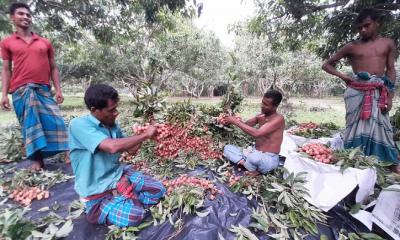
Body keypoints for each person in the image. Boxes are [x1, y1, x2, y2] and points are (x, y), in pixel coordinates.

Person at [68, 84, 165, 227]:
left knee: (159, 190)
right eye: (111, 110)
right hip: (97, 193)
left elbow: (131, 150)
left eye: (116, 108)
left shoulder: (112, 125)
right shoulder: (78, 125)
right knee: (134, 216)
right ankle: (99, 210)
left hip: (117, 176)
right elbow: (112, 147)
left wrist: (144, 134)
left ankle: (124, 194)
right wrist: (145, 135)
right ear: (94, 110)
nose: (116, 113)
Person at [322, 8, 399, 173]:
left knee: (382, 127)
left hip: (379, 91)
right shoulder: (351, 47)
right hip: (356, 91)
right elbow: (327, 65)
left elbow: (391, 70)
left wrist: (390, 94)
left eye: (367, 25)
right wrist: (344, 77)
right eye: (360, 28)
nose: (363, 30)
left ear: (377, 23)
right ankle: (353, 160)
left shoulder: (388, 43)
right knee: (353, 127)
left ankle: (388, 162)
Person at [0, 2, 68, 170]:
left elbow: (53, 67)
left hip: (43, 90)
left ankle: (69, 152)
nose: (25, 17)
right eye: (21, 14)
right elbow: (6, 70)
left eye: (28, 15)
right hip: (21, 91)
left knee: (57, 121)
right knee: (30, 126)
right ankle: (37, 160)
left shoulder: (44, 42)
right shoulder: (7, 42)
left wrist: (58, 89)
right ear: (12, 18)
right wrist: (3, 94)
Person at [222, 89, 285, 176]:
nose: (262, 106)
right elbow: (246, 124)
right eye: (262, 102)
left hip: (268, 158)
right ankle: (248, 165)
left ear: (275, 106)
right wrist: (236, 120)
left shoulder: (278, 119)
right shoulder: (261, 116)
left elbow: (257, 133)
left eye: (266, 104)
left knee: (254, 157)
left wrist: (236, 122)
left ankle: (250, 165)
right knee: (228, 148)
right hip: (254, 152)